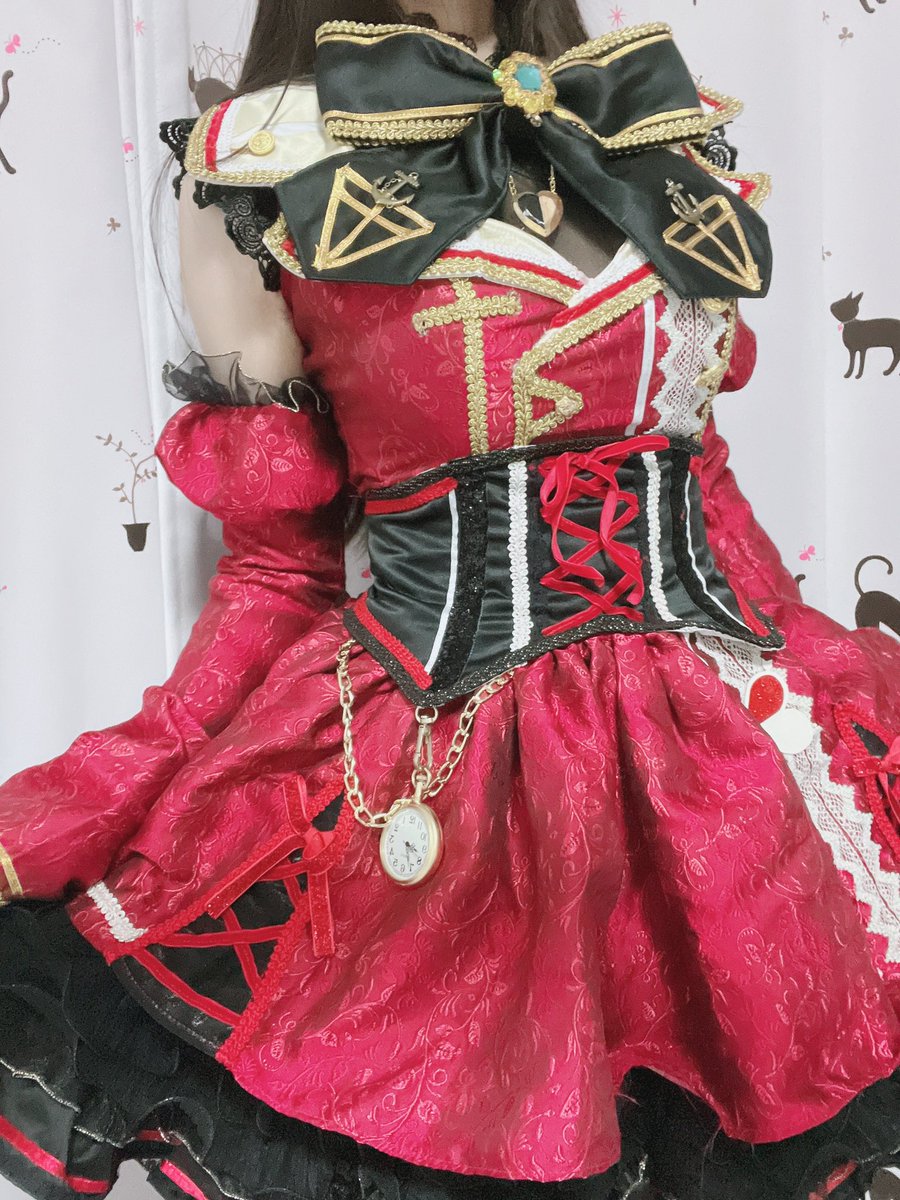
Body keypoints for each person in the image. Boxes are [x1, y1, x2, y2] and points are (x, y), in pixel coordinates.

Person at [0, 3, 898, 1199]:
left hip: (712, 787)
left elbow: (704, 488)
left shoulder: (647, 133)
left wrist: (828, 695)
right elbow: (278, 570)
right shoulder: (261, 165)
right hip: (453, 793)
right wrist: (119, 781)